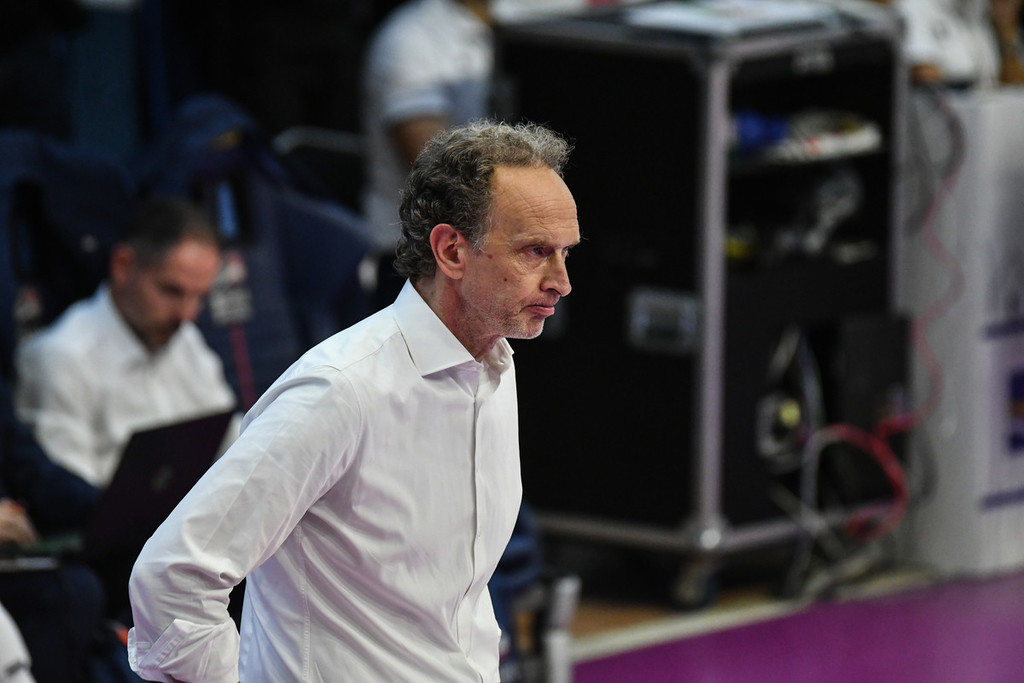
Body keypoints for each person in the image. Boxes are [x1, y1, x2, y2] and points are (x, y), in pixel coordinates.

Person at [127, 119, 579, 682]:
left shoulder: (495, 370)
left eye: (565, 253)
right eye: (535, 252)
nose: (561, 281)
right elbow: (173, 578)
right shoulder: (338, 391)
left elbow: (451, 602)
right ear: (451, 250)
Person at [13, 197, 238, 489]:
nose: (187, 314)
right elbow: (70, 492)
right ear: (123, 265)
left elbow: (233, 446)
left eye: (199, 297)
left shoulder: (186, 340)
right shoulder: (61, 357)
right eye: (172, 291)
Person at [361, 0, 495, 306]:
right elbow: (443, 175)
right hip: (417, 262)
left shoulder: (540, 16)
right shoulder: (410, 38)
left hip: (501, 254)